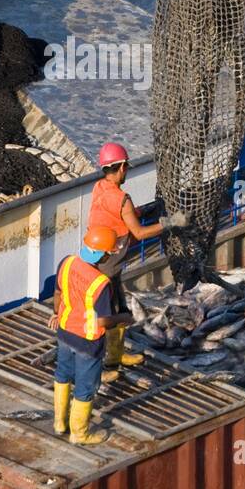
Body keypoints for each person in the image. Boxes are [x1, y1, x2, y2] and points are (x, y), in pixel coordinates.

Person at [88, 142, 189, 379]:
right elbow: (140, 233)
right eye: (126, 168)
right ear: (122, 167)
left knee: (120, 309)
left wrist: (142, 211)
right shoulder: (123, 198)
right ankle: (107, 366)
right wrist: (170, 222)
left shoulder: (99, 187)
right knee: (109, 314)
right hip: (108, 264)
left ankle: (116, 356)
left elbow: (112, 215)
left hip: (100, 258)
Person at [46, 226, 132, 445]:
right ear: (104, 253)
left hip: (65, 333)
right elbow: (102, 320)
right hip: (87, 342)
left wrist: (57, 313)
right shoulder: (101, 284)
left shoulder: (67, 263)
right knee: (85, 388)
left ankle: (59, 423)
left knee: (63, 375)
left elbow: (58, 294)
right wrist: (123, 317)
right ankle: (79, 433)